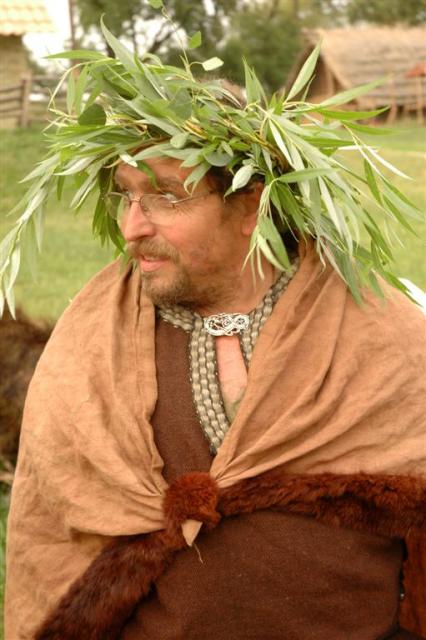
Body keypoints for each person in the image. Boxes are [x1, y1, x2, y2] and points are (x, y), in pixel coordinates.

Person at [4, 22, 426, 640]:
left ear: (251, 204)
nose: (132, 227)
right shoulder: (90, 344)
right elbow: (46, 537)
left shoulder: (382, 332)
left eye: (166, 197)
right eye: (127, 196)